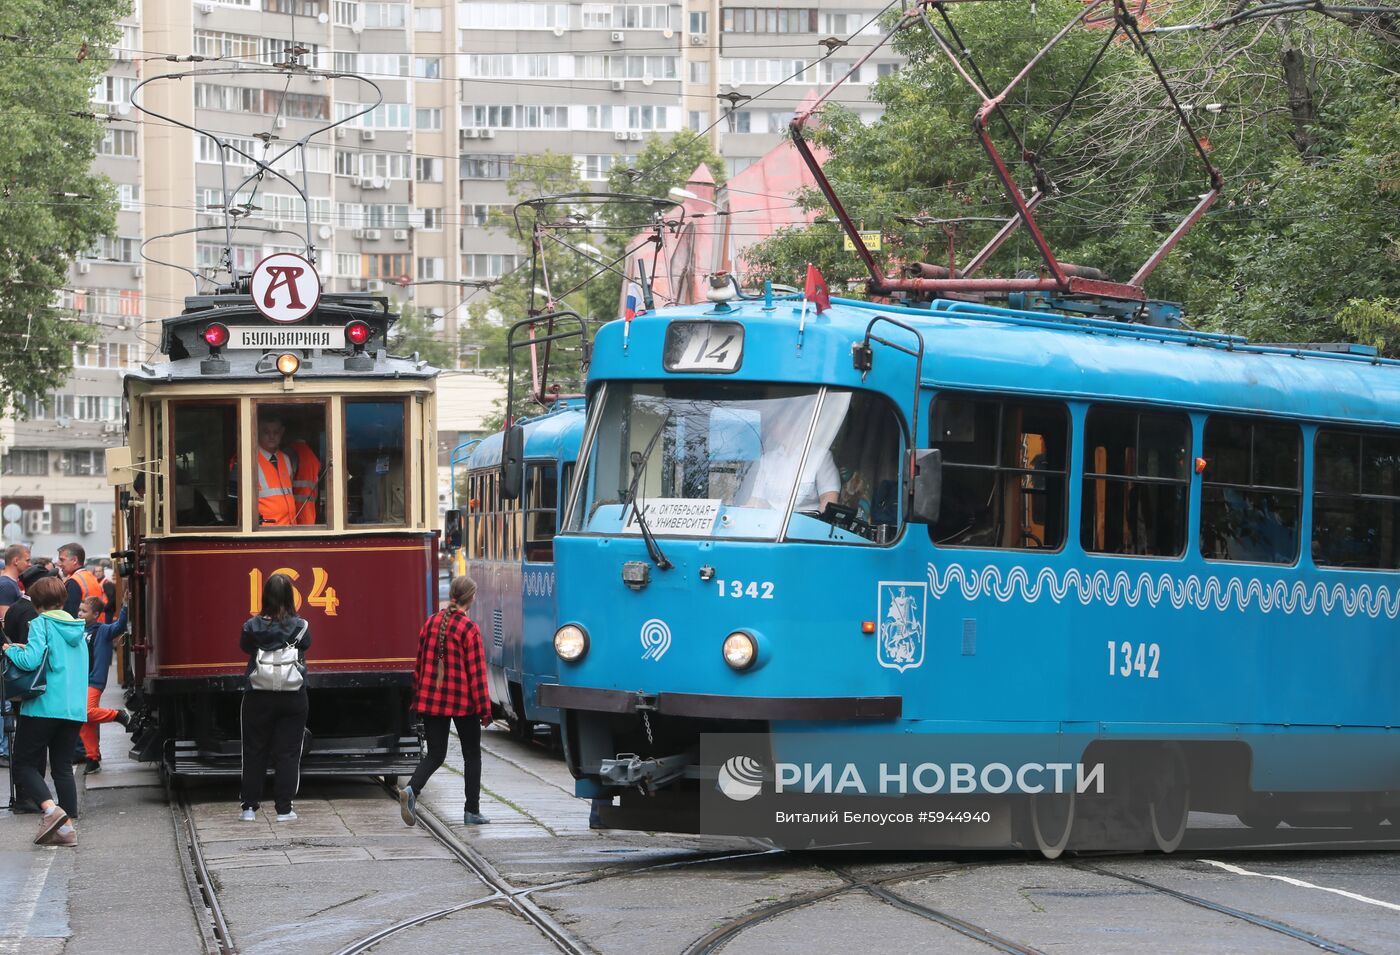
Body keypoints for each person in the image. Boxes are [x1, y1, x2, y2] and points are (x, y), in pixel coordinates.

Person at [399, 575, 492, 829]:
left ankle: (411, 789)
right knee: (472, 755)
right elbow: (477, 674)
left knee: (436, 754)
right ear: (471, 597)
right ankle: (471, 810)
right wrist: (485, 710)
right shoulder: (469, 629)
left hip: (432, 700)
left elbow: (418, 666)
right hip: (464, 703)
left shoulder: (430, 623)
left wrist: (417, 700)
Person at [2, 576, 89, 847]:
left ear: (36, 604)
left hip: (43, 706)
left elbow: (30, 662)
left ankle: (51, 811)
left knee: (23, 765)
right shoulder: (77, 627)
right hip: (73, 708)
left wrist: (9, 649)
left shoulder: (41, 624)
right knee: (62, 767)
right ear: (62, 600)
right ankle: (67, 829)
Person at [238, 572, 310, 822]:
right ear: (291, 597)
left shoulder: (251, 626)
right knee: (289, 752)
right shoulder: (301, 627)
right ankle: (284, 809)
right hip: (292, 695)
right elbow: (306, 645)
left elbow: (245, 647)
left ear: (265, 596)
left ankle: (249, 808)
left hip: (257, 694)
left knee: (254, 749)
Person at [233, 414, 322, 526]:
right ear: (257, 432)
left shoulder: (285, 459)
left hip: (288, 529)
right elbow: (234, 504)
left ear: (282, 433)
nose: (272, 436)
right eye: (266, 432)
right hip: (263, 534)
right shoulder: (246, 461)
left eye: (276, 432)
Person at [77, 595, 131, 774]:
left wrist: (124, 607)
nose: (79, 614)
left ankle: (119, 715)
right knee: (85, 720)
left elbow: (120, 626)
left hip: (94, 680)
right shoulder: (77, 630)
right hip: (81, 680)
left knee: (86, 712)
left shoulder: (103, 630)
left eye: (84, 611)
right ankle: (92, 758)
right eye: (79, 610)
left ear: (96, 614)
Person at [57, 543, 104, 619]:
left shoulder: (74, 582)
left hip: (81, 628)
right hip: (96, 627)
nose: (59, 564)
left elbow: (70, 616)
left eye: (62, 560)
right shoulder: (90, 577)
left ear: (75, 560)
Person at [0, 544, 31, 622]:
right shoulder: (6, 585)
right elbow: (5, 620)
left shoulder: (10, 582)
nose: (29, 564)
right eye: (27, 560)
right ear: (16, 561)